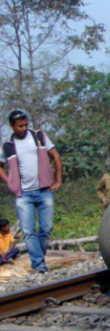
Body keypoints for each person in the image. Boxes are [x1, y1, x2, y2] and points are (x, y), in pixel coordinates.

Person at [0, 110, 62, 273]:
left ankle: (38, 258)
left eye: (26, 125)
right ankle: (39, 265)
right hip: (23, 195)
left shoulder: (39, 136)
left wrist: (58, 180)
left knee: (46, 229)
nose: (24, 128)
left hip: (44, 190)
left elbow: (55, 155)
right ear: (12, 126)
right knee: (28, 232)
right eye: (20, 126)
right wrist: (11, 182)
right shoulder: (7, 144)